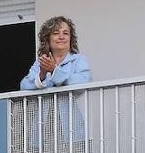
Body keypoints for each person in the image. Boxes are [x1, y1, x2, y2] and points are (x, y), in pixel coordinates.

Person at [18, 16, 92, 152]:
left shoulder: (78, 60)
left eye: (66, 33)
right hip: (43, 129)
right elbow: (24, 86)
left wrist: (54, 71)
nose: (61, 37)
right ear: (48, 39)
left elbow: (83, 81)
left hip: (72, 127)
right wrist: (41, 74)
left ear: (71, 39)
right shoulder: (40, 63)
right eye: (56, 33)